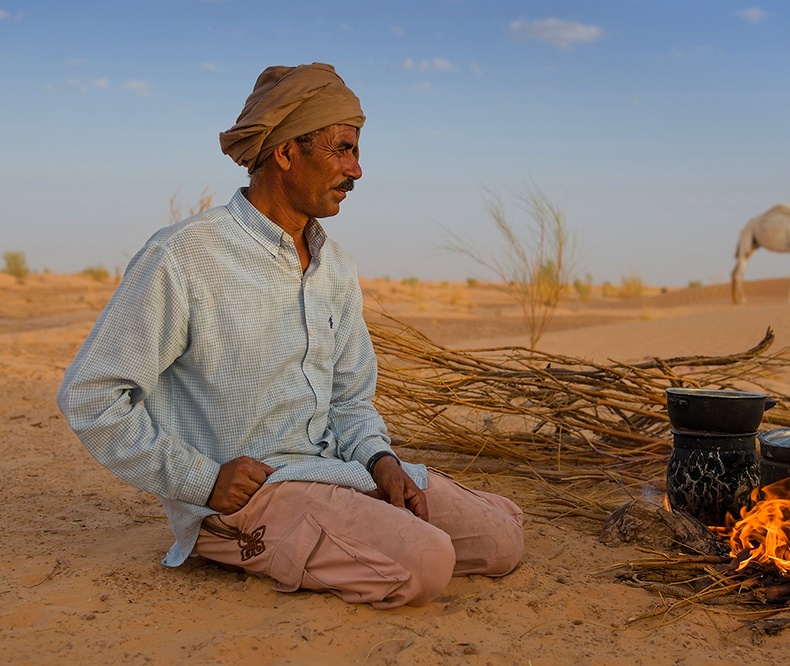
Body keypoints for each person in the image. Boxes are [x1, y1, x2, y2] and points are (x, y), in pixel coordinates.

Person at [57, 62, 524, 609]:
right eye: (342, 149)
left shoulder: (336, 268)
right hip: (244, 500)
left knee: (502, 539)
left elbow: (350, 398)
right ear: (285, 153)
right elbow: (92, 393)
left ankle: (366, 520)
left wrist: (381, 461)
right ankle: (228, 541)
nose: (357, 170)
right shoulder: (182, 257)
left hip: (335, 471)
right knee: (425, 563)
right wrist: (203, 480)